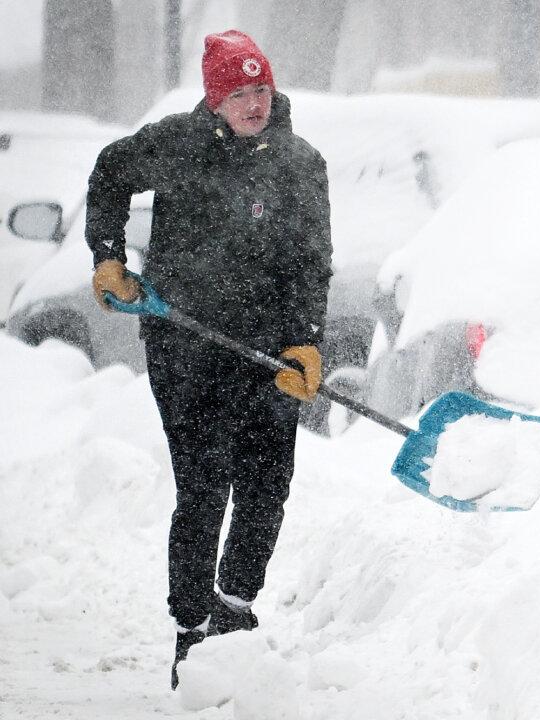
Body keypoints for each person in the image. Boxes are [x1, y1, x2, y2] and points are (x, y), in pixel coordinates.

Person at [86, 30, 332, 689]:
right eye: (239, 92)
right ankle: (192, 630)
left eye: (262, 89)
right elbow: (110, 173)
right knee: (205, 487)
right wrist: (109, 255)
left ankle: (233, 609)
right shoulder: (176, 145)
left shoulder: (300, 164)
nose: (254, 103)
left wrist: (306, 339)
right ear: (215, 99)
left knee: (266, 487)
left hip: (269, 353)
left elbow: (311, 262)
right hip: (185, 346)